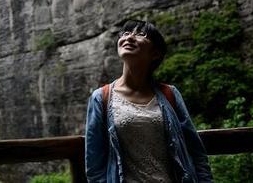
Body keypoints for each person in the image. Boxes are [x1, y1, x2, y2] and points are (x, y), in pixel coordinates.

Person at [84, 20, 213, 182]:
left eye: (140, 34)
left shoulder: (169, 94)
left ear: (155, 53)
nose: (129, 37)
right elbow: (94, 166)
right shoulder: (101, 98)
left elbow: (196, 152)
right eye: (125, 33)